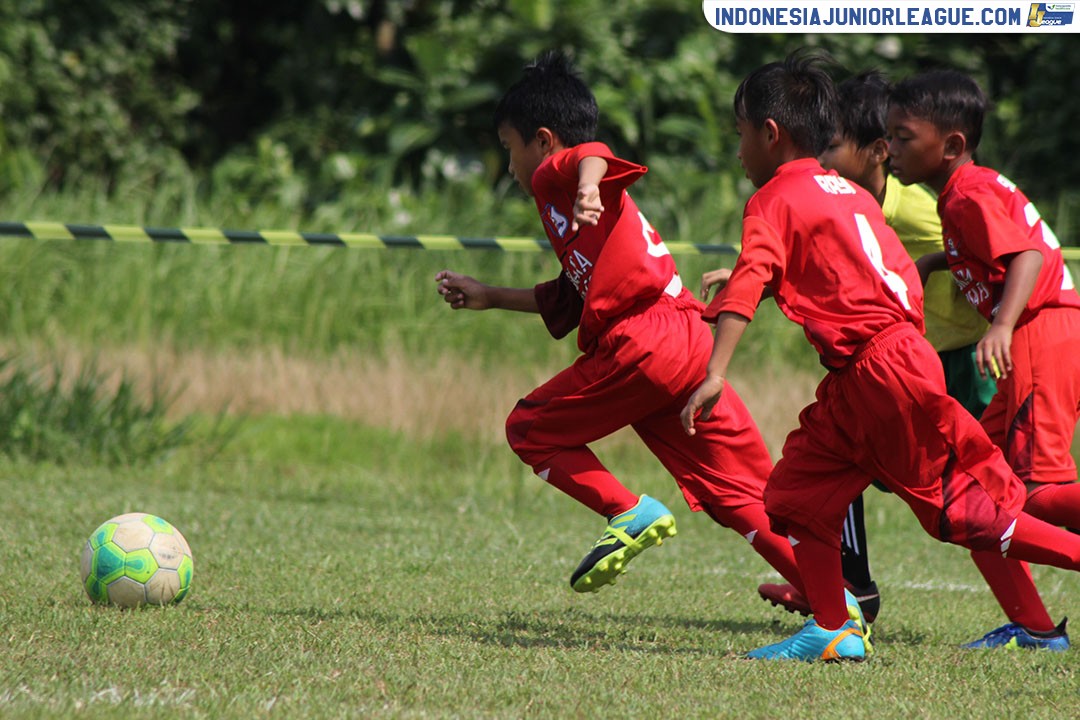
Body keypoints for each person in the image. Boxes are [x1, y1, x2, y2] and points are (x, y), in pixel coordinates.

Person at [681, 51, 1080, 662]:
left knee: (965, 515)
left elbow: (758, 273)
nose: (737, 151)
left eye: (739, 135)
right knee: (797, 493)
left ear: (770, 133)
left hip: (883, 370)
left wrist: (715, 373)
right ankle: (833, 629)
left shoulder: (771, 200)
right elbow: (883, 273)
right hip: (866, 371)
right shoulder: (850, 193)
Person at [435, 51, 817, 610]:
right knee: (738, 493)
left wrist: (588, 184)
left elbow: (593, 152)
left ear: (541, 142)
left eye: (507, 148)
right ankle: (833, 600)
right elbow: (569, 296)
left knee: (530, 428)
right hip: (686, 339)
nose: (510, 164)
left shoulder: (555, 176)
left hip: (644, 342)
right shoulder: (575, 216)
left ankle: (626, 511)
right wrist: (490, 296)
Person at [751, 70, 995, 624]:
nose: (824, 159)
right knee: (833, 463)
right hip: (904, 364)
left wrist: (992, 314)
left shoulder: (918, 209)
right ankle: (849, 589)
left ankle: (1035, 609)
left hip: (960, 359)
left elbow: (994, 249)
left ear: (877, 151)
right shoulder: (844, 202)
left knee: (997, 496)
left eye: (833, 145)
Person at [887, 68, 1080, 650]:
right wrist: (931, 265)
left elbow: (1023, 255)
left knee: (1038, 491)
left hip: (1039, 334)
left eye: (902, 136)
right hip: (1045, 332)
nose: (891, 148)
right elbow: (993, 247)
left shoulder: (968, 192)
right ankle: (1035, 628)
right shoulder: (966, 191)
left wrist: (999, 324)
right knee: (975, 494)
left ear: (950, 145)